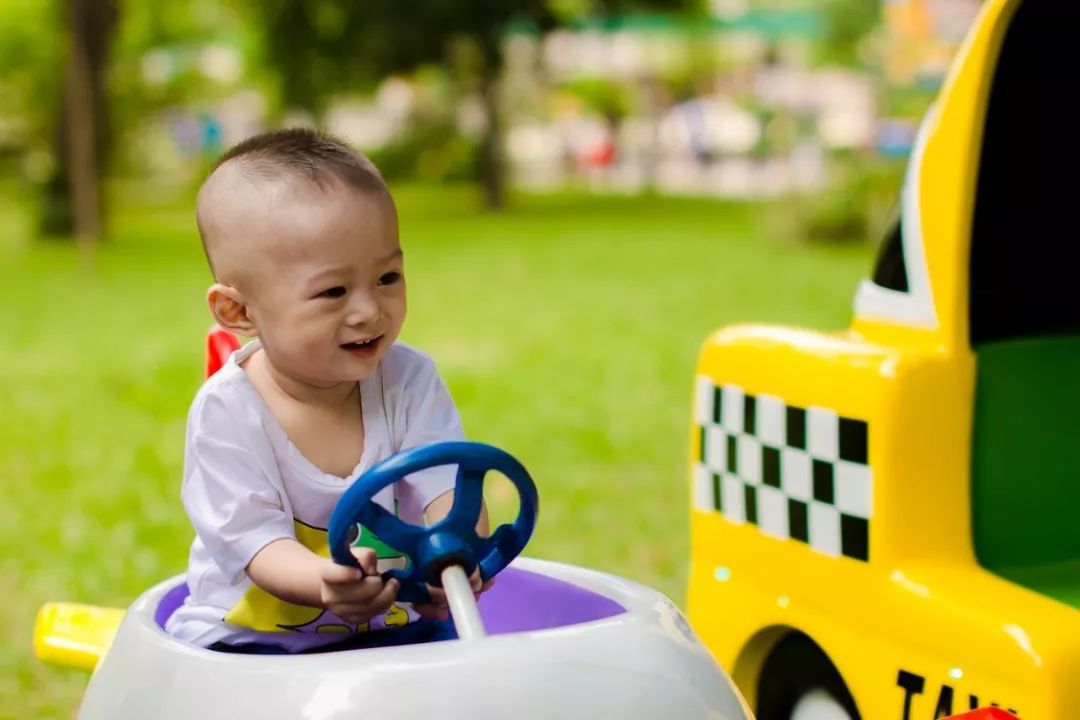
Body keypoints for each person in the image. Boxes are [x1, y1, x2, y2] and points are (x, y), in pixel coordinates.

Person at [165, 128, 487, 654]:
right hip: (252, 642)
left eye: (388, 277)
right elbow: (252, 539)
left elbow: (447, 484)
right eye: (334, 291)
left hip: (395, 625)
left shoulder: (408, 380)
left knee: (471, 677)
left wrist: (457, 550)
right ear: (238, 311)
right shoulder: (228, 411)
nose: (369, 310)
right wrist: (323, 583)